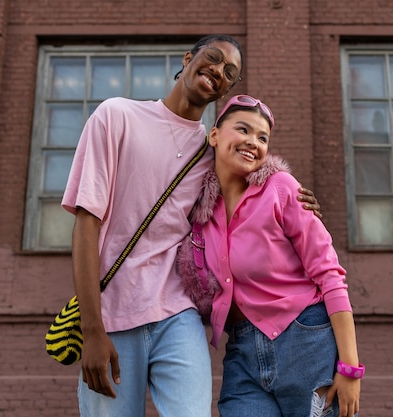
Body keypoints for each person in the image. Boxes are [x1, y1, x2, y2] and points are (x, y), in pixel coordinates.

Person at [61, 35, 321, 417]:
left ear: (227, 89)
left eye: (229, 73)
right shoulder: (116, 116)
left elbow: (257, 190)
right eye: (212, 59)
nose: (217, 71)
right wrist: (92, 329)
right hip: (110, 315)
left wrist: (299, 196)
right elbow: (86, 225)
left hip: (177, 313)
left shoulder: (213, 149)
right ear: (188, 59)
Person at [178, 95, 362, 417]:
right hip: (243, 354)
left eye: (262, 137)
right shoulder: (199, 212)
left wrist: (349, 367)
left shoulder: (282, 189)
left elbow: (330, 275)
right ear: (215, 135)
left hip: (306, 341)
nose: (253, 142)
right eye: (243, 130)